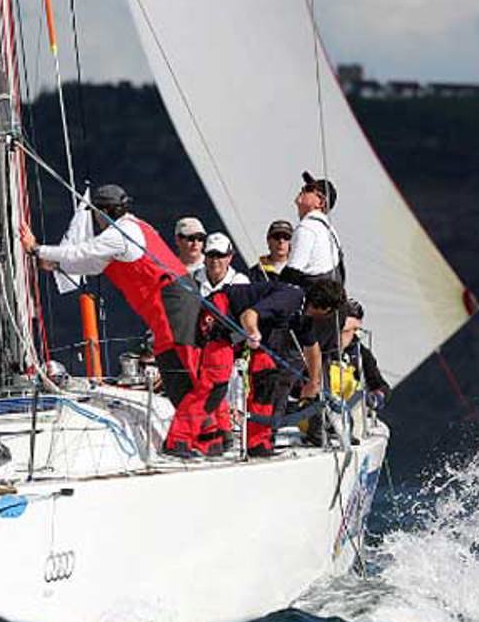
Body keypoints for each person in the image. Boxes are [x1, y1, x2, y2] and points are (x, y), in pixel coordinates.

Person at [20, 184, 202, 456]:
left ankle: (187, 441)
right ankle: (207, 435)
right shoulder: (132, 229)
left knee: (182, 369)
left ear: (101, 212)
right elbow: (94, 264)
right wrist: (56, 264)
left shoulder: (120, 233)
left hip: (172, 305)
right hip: (169, 307)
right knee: (174, 367)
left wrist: (37, 250)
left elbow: (83, 252)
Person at [191, 279, 344, 457]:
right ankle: (195, 437)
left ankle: (257, 442)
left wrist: (313, 382)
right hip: (222, 313)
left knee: (267, 377)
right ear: (326, 308)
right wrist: (253, 332)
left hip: (241, 331)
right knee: (216, 378)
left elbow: (312, 348)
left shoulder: (303, 314)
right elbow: (249, 314)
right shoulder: (290, 298)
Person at [282, 171, 344, 289]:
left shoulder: (308, 227)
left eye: (308, 189)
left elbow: (293, 272)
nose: (302, 190)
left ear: (320, 202)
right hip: (329, 302)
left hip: (312, 302)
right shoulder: (330, 232)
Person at [195, 232, 250, 297]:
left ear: (229, 257)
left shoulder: (240, 282)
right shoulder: (192, 278)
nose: (215, 260)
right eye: (211, 255)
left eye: (220, 255)